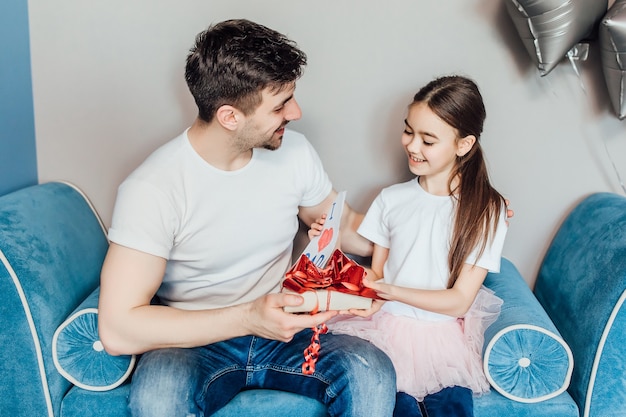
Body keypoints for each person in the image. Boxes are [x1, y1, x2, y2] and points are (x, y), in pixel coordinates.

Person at [97, 19, 397, 416]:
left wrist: (454, 221)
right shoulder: (153, 189)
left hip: (285, 329)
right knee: (157, 397)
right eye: (280, 105)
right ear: (230, 116)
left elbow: (345, 226)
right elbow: (118, 330)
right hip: (193, 339)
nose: (296, 111)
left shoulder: (294, 152)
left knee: (371, 371)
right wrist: (248, 318)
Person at [310, 75, 509, 416]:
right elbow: (376, 271)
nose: (412, 146)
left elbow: (459, 301)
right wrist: (332, 246)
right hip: (385, 330)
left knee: (452, 410)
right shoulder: (391, 199)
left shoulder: (487, 209)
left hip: (443, 340)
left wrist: (390, 290)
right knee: (391, 406)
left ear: (463, 144)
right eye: (409, 131)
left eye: (428, 140)